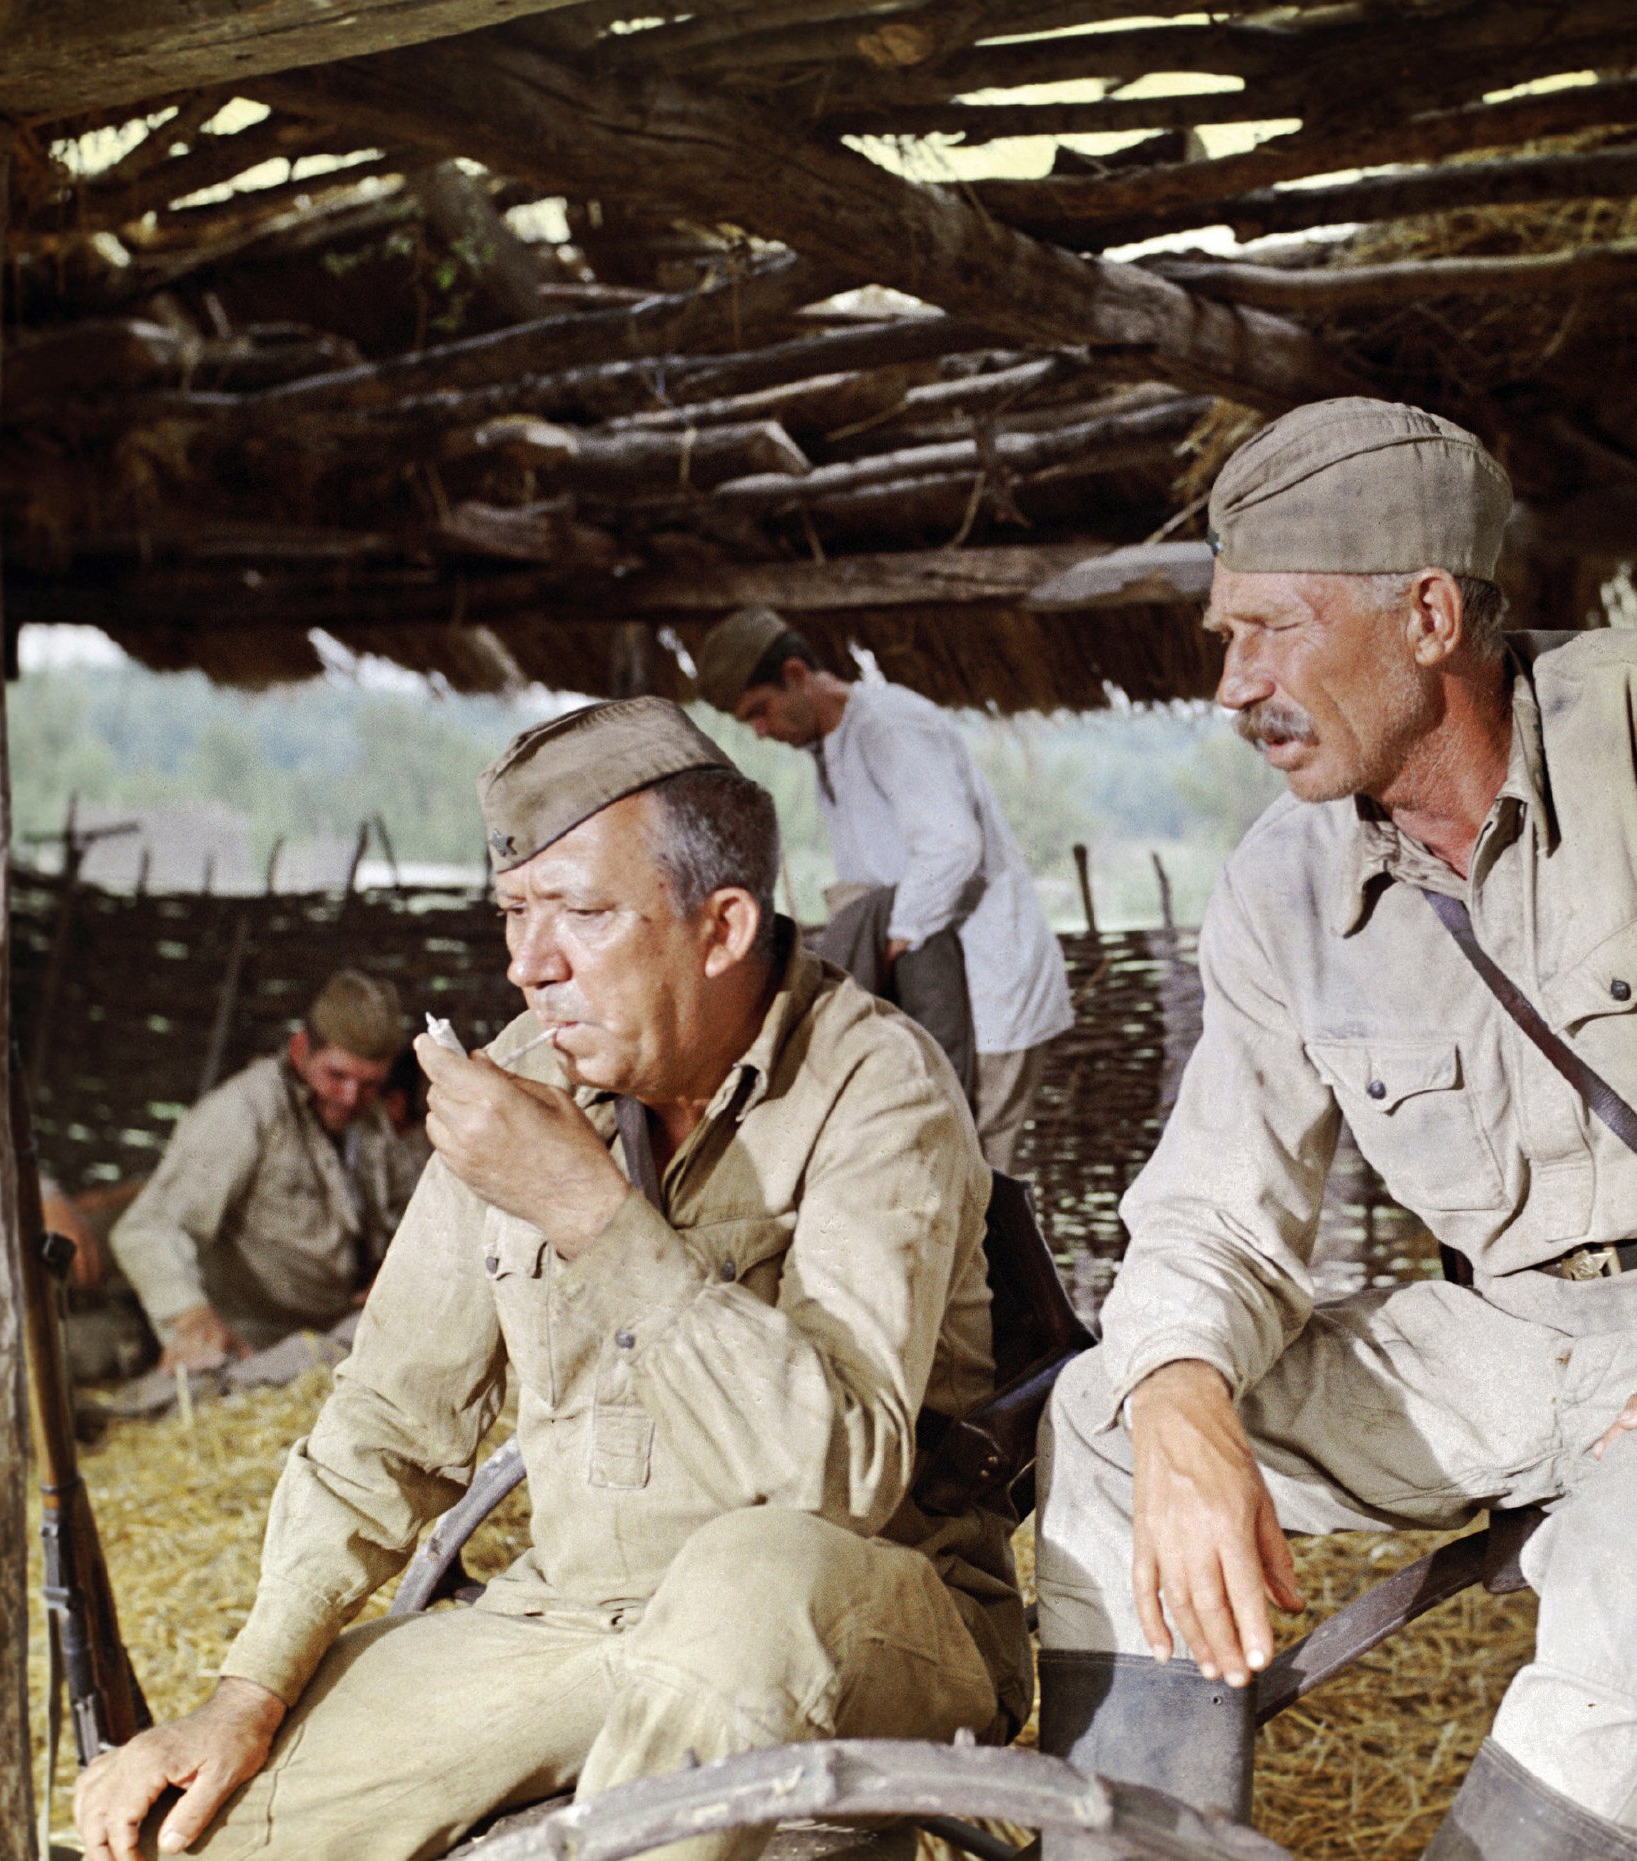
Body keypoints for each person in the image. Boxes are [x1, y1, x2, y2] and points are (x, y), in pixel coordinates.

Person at [1031, 400, 1637, 1861]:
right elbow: (1217, 1203)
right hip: (1511, 1345)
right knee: (1110, 1414)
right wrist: (1178, 1390)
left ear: (1429, 613)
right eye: (1224, 638)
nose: (1235, 685)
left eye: (1272, 631)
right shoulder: (1280, 883)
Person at [75, 698, 1024, 1861]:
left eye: (578, 913)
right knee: (187, 1835)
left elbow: (836, 1477)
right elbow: (391, 1414)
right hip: (572, 1617)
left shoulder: (876, 1086)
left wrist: (584, 1205)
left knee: (749, 1573)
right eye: (514, 914)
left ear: (720, 926)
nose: (529, 965)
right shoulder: (525, 1083)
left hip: (861, 1610)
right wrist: (245, 1692)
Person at [694, 608, 1072, 1172]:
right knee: (941, 1146)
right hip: (937, 977)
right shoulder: (831, 747)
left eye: (761, 711)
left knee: (983, 1160)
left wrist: (895, 935)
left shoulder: (888, 726)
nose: (761, 732)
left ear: (797, 675)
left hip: (989, 979)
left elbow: (952, 846)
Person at [111, 969, 424, 1372]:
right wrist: (191, 1317)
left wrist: (395, 1269)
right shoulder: (245, 1111)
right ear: (300, 1051)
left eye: (368, 1084)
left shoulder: (371, 1120)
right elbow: (147, 1227)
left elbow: (411, 1212)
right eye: (337, 1075)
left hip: (341, 1333)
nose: (350, 1098)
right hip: (254, 1341)